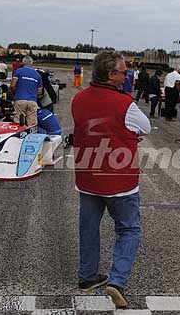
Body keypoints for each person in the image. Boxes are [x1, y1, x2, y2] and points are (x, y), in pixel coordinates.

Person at [72, 51, 150, 309]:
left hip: (87, 176)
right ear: (110, 74)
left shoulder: (79, 99)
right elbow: (145, 127)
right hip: (119, 180)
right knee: (128, 229)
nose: (126, 76)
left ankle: (87, 277)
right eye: (123, 72)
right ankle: (116, 282)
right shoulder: (125, 103)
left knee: (89, 227)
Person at [10, 56, 43, 126]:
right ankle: (32, 135)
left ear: (23, 63)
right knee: (32, 123)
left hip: (20, 100)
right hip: (32, 101)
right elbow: (40, 92)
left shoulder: (18, 71)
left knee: (18, 122)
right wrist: (32, 95)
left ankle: (18, 136)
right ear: (31, 63)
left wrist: (16, 94)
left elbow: (12, 85)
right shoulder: (37, 75)